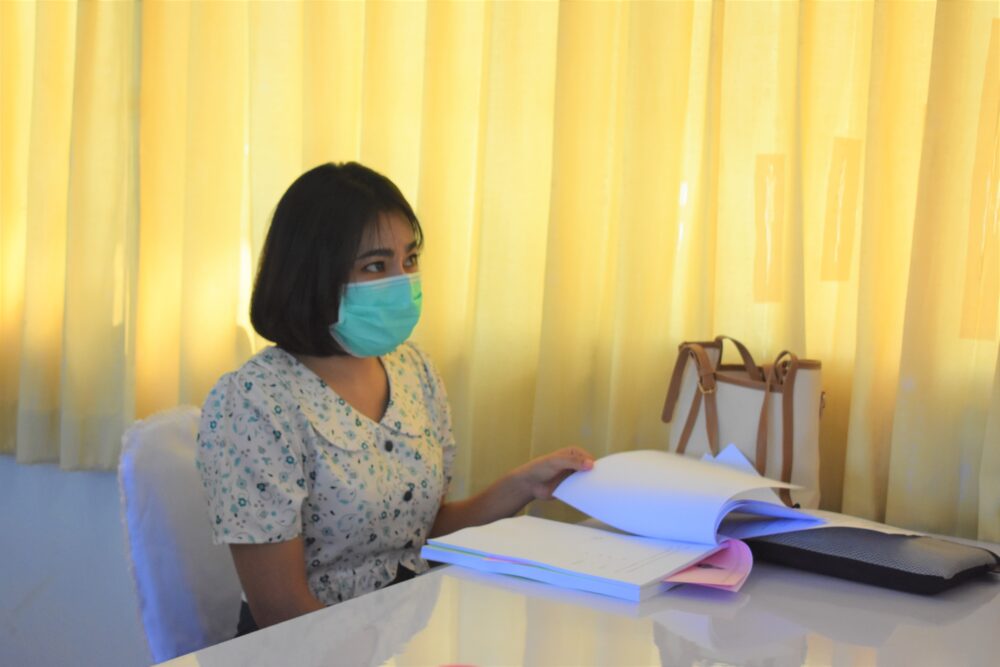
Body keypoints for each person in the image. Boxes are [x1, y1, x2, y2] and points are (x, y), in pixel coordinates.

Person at [195, 162, 594, 634]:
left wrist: (524, 485)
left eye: (410, 259)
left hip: (405, 635)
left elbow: (422, 533)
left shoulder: (413, 369)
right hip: (310, 649)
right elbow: (280, 610)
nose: (402, 281)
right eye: (375, 266)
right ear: (312, 275)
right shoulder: (254, 401)